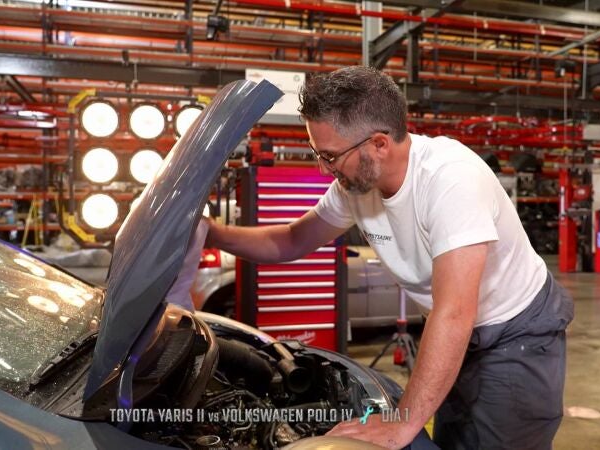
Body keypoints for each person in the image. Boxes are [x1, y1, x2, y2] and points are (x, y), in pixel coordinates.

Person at [204, 66, 574, 449]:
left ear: (379, 144)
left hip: (515, 334)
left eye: (330, 156)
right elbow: (293, 239)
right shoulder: (356, 184)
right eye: (318, 154)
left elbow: (455, 313)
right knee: (454, 439)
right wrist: (210, 233)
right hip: (463, 333)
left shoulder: (451, 180)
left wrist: (402, 424)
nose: (323, 168)